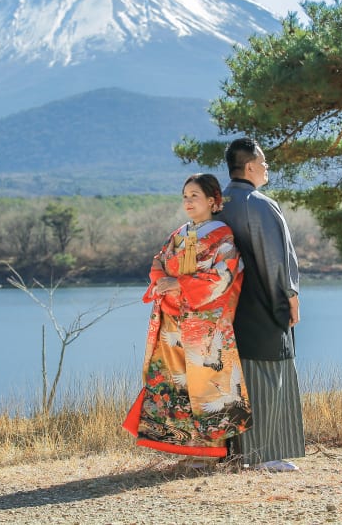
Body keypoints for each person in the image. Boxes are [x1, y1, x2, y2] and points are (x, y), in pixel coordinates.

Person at [123, 173, 251, 467]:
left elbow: (223, 275)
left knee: (208, 387)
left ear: (213, 200)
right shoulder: (179, 233)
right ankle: (187, 448)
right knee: (177, 383)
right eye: (185, 196)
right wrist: (165, 281)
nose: (188, 202)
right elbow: (158, 263)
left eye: (195, 196)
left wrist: (179, 284)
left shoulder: (223, 236)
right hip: (174, 319)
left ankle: (211, 452)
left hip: (206, 322)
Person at [216, 136, 305, 472]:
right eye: (263, 162)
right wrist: (289, 297)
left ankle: (231, 454)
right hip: (261, 301)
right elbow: (277, 259)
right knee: (269, 373)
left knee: (232, 380)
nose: (267, 167)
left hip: (225, 306)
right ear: (249, 166)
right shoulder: (259, 203)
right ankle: (264, 454)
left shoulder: (217, 203)